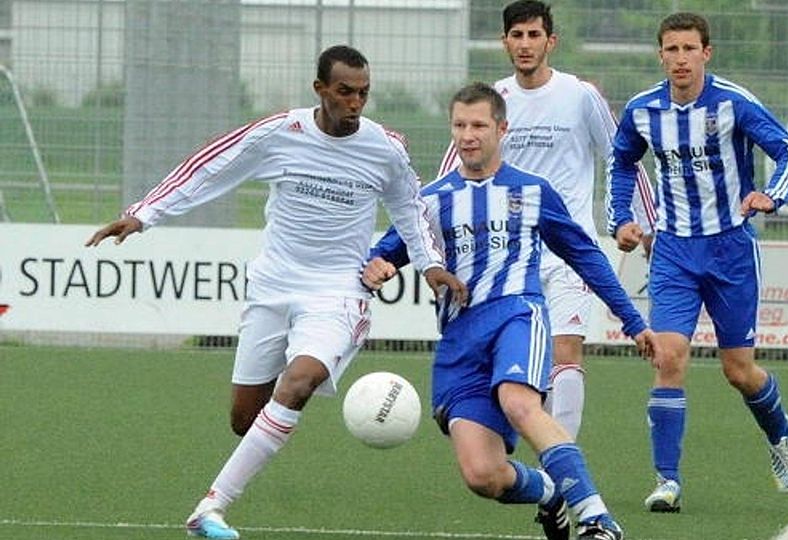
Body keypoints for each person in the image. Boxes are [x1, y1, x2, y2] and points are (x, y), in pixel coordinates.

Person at [86, 45, 466, 539]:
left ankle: (210, 509)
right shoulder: (278, 134)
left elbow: (410, 209)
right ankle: (242, 465)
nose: (355, 103)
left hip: (337, 293)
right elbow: (210, 167)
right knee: (246, 419)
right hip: (272, 288)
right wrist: (145, 213)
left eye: (364, 93)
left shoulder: (384, 148)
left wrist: (431, 265)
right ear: (320, 90)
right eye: (345, 92)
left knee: (298, 382)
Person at [364, 82, 659, 540]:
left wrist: (634, 321)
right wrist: (378, 265)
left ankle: (598, 519)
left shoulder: (534, 191)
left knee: (519, 402)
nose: (468, 135)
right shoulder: (431, 201)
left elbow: (587, 258)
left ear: (502, 128)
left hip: (517, 315)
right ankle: (550, 493)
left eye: (479, 125)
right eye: (460, 125)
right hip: (460, 344)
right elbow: (386, 252)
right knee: (484, 475)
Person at [606, 12, 788, 513]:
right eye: (670, 49)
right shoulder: (642, 110)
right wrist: (620, 220)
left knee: (739, 371)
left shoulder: (734, 102)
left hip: (731, 249)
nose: (680, 58)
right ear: (660, 55)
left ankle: (779, 433)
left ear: (706, 53)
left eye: (688, 49)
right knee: (669, 357)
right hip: (673, 250)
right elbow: (622, 160)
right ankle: (666, 481)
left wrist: (772, 196)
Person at [435, 0, 657, 447]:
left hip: (568, 249)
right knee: (511, 365)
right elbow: (450, 176)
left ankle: (562, 465)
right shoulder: (495, 101)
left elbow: (622, 156)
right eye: (516, 36)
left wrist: (640, 222)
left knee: (566, 350)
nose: (525, 44)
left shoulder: (579, 95)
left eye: (534, 35)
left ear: (550, 41)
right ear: (504, 42)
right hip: (507, 254)